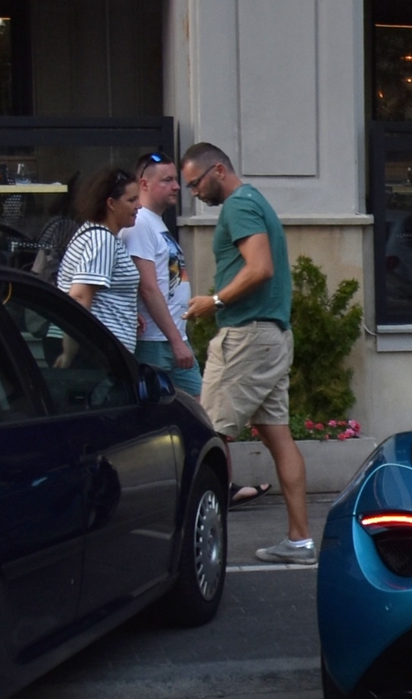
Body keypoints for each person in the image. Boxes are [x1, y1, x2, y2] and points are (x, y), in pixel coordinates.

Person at [180, 142, 313, 565]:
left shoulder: (238, 206)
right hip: (271, 334)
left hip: (247, 336)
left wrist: (213, 301)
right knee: (278, 435)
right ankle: (300, 540)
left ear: (218, 169)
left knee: (209, 436)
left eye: (196, 183)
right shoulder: (255, 202)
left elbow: (260, 268)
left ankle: (198, 550)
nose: (194, 194)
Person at [126, 152, 200, 395]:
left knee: (201, 411)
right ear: (144, 184)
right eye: (167, 180)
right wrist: (176, 341)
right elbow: (147, 287)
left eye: (175, 180)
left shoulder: (155, 223)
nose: (177, 186)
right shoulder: (139, 223)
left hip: (172, 338)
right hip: (154, 342)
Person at [56, 168, 142, 349]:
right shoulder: (101, 240)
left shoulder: (102, 236)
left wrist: (127, 313)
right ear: (111, 203)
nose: (139, 206)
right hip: (92, 351)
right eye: (132, 200)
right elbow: (79, 298)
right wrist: (69, 354)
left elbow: (102, 297)